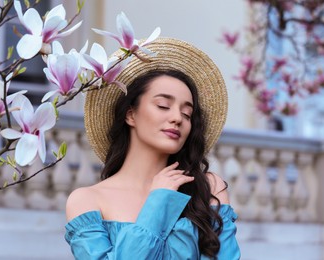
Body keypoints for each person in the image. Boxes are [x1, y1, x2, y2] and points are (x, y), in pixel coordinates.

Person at [65, 37, 241, 259]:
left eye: (187, 114)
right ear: (130, 114)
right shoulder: (86, 200)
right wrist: (158, 200)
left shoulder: (208, 189)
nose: (177, 117)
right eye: (163, 106)